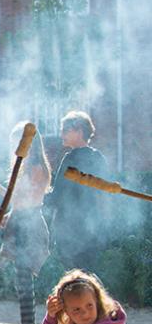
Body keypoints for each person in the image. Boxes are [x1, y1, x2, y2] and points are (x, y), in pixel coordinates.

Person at [0, 122, 51, 324]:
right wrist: (10, 215)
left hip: (30, 227)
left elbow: (26, 200)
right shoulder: (25, 165)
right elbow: (19, 203)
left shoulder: (36, 167)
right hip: (21, 223)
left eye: (16, 141)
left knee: (26, 284)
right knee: (22, 283)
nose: (13, 146)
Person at [46, 111, 109, 272]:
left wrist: (36, 199)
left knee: (75, 277)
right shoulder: (99, 158)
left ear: (79, 130)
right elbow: (105, 196)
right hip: (92, 229)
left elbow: (57, 196)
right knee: (87, 275)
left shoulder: (70, 158)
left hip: (70, 230)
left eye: (65, 130)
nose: (61, 135)